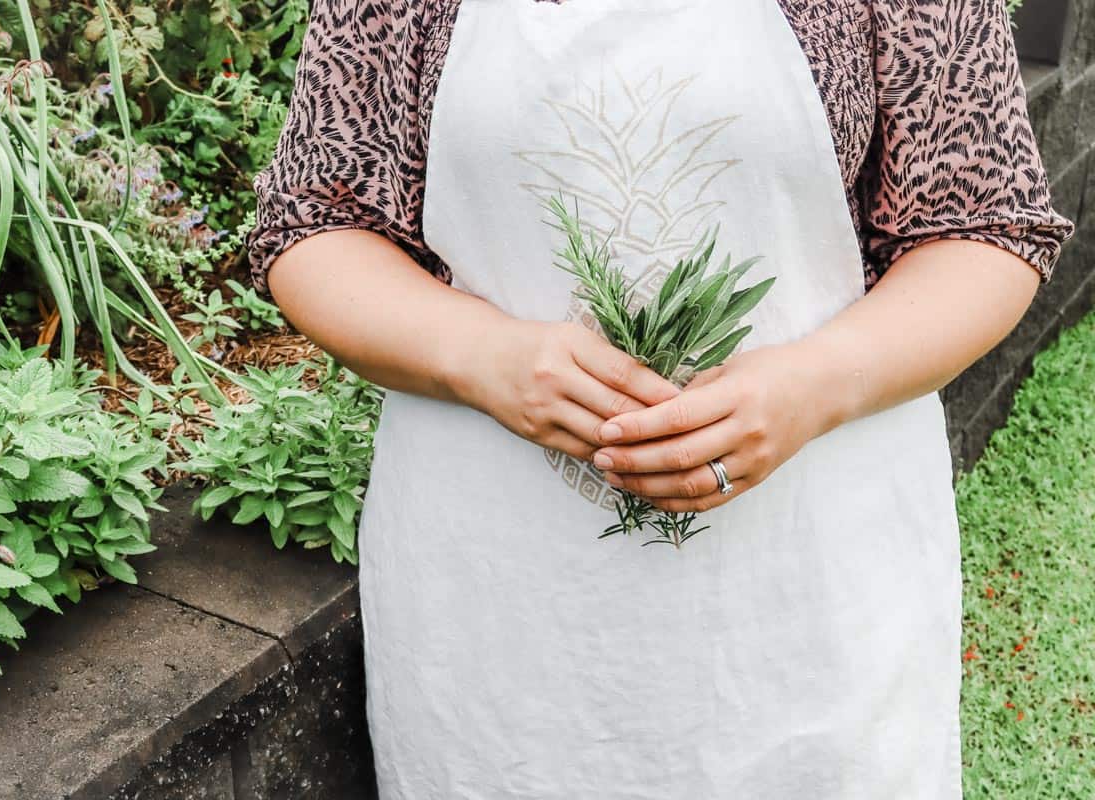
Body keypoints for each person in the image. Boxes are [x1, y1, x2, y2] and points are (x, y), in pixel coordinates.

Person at [247, 1, 1073, 797]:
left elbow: (983, 227)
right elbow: (314, 219)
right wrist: (479, 355)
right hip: (502, 601)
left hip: (810, 588)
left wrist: (814, 385)